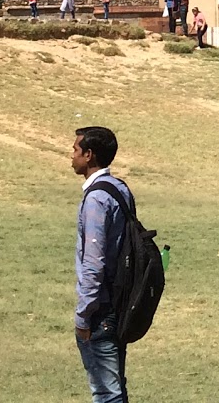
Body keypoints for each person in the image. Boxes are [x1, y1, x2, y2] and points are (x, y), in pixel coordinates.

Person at [72, 124, 133, 403]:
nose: (71, 156)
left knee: (107, 394)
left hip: (101, 311)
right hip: (120, 302)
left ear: (89, 155)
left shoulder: (96, 199)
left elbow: (93, 264)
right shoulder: (120, 189)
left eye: (75, 150)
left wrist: (84, 314)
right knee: (116, 388)